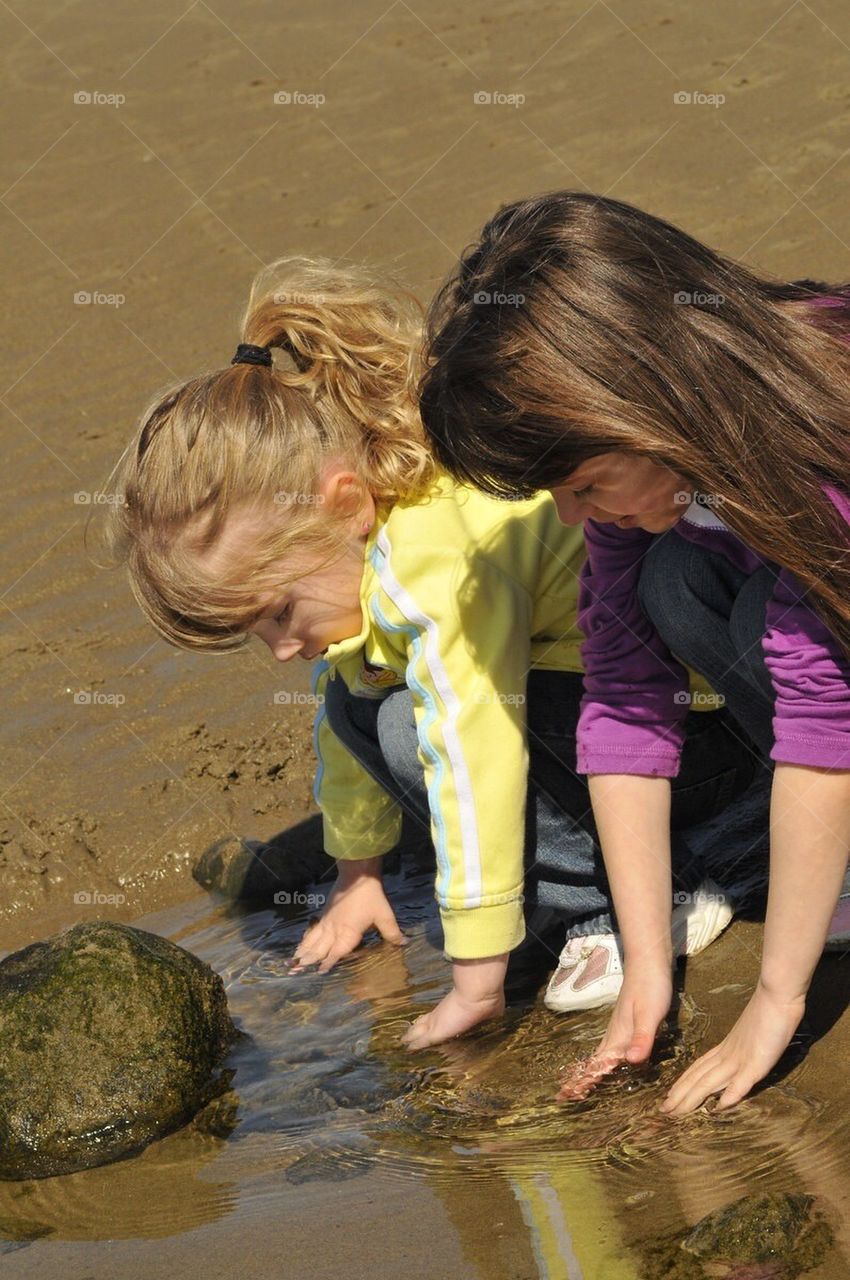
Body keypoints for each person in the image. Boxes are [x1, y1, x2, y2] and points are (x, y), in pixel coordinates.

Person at [101, 254, 767, 1050]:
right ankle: (570, 887)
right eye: (257, 632)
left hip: (694, 735)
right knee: (358, 704)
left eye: (277, 612)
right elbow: (347, 706)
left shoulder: (431, 564)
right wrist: (358, 876)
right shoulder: (363, 549)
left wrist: (475, 974)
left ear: (345, 503)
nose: (279, 649)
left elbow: (470, 749)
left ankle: (656, 890)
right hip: (614, 714)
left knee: (412, 734)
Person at [417, 188, 850, 1113]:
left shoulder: (818, 423)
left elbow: (823, 714)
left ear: (646, 391)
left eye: (581, 484)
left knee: (774, 613)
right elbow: (623, 697)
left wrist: (775, 1004)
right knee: (669, 583)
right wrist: (647, 970)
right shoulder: (656, 461)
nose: (573, 517)